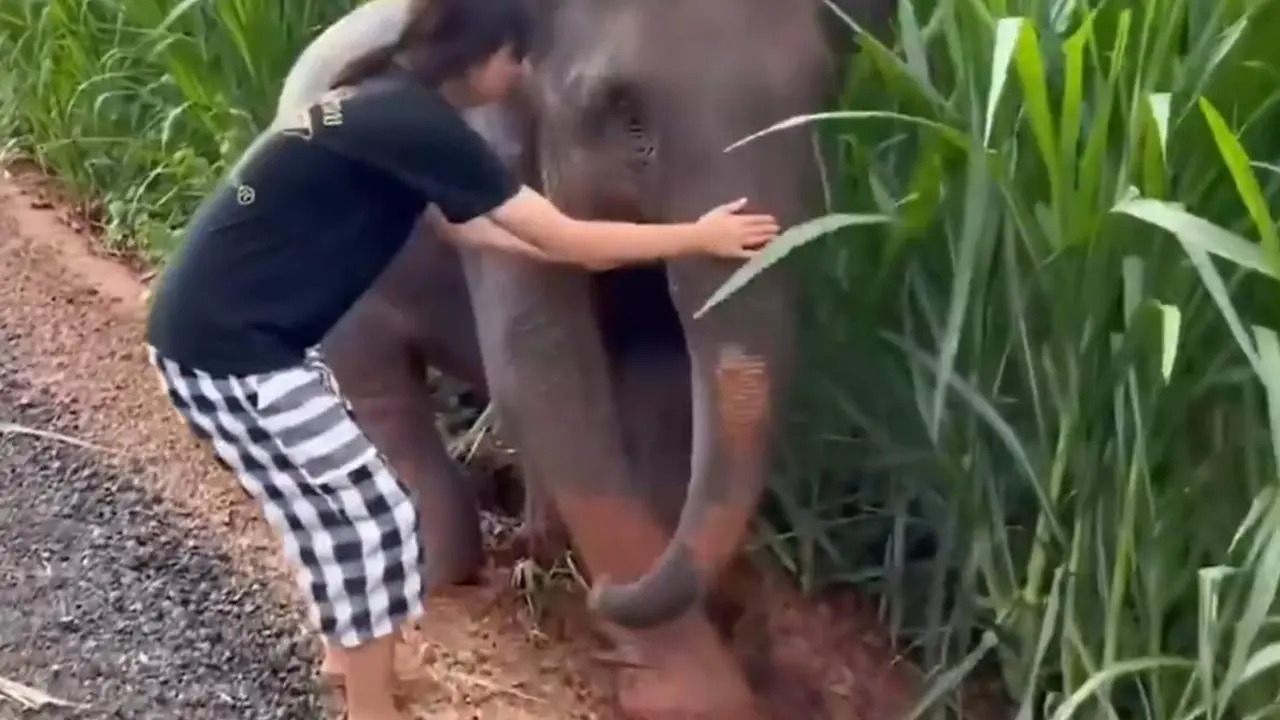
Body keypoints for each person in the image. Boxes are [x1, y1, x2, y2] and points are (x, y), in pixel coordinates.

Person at [143, 0, 779, 716]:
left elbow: (471, 230)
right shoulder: (423, 124)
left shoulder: (391, 100)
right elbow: (568, 244)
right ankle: (372, 705)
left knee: (343, 514)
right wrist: (696, 237)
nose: (518, 76)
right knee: (371, 516)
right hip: (233, 350)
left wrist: (588, 243)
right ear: (482, 54)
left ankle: (347, 661)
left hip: (231, 334)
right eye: (516, 59)